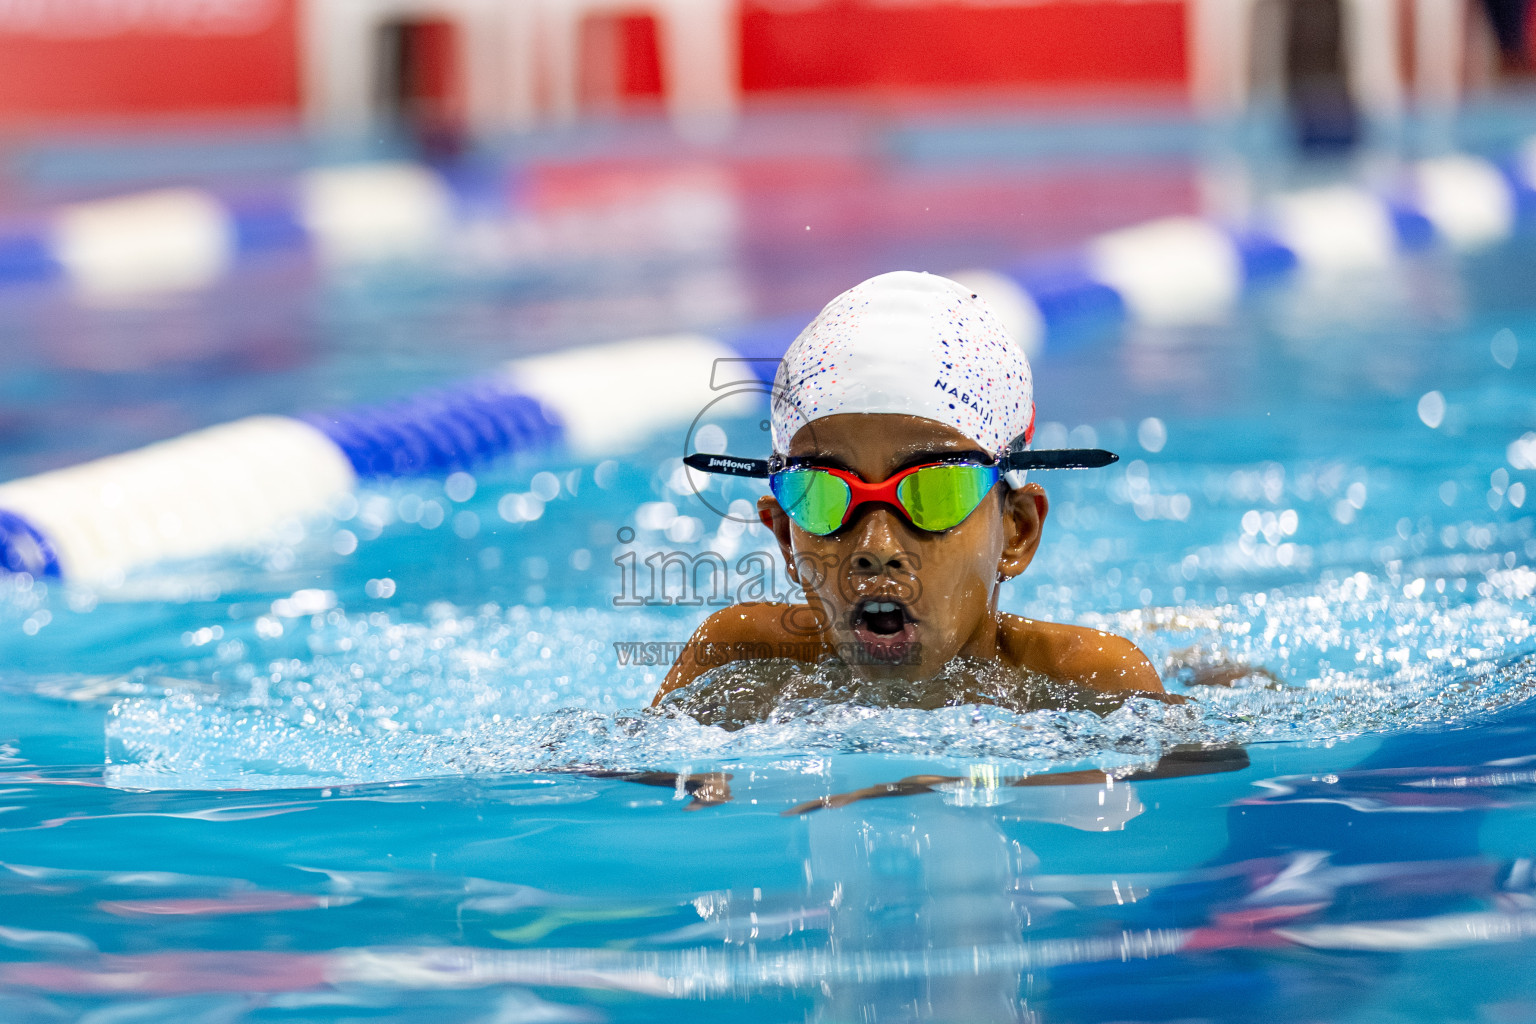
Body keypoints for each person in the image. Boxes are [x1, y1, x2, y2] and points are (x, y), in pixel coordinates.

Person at [651, 270, 1167, 713]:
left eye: (935, 491)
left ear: (1018, 531)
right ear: (786, 537)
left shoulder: (1090, 682)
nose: (876, 548)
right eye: (824, 496)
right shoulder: (741, 660)